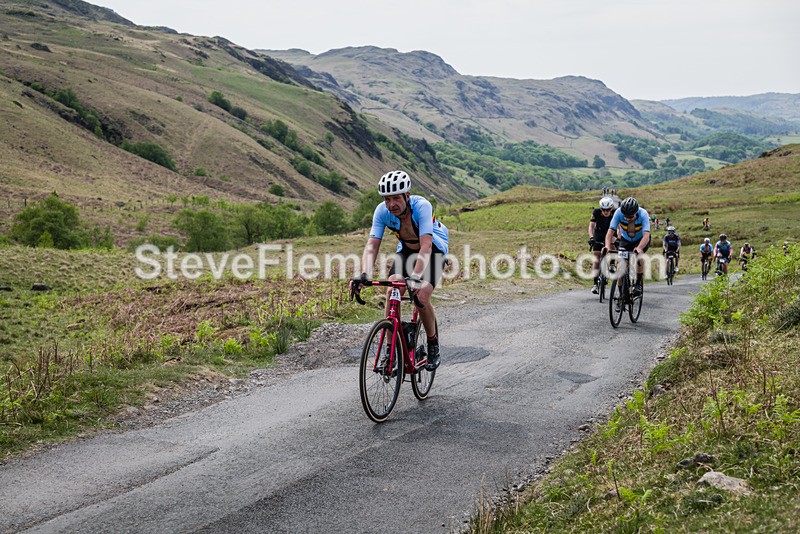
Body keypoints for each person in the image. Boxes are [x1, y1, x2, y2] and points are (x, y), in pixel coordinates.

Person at [351, 170, 449, 370]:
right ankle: (390, 352)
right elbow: (372, 245)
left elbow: (426, 246)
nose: (391, 204)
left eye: (396, 198)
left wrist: (415, 277)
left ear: (407, 196)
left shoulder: (421, 206)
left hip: (433, 249)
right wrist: (364, 274)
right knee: (392, 290)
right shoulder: (382, 211)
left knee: (421, 295)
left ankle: (433, 344)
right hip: (406, 249)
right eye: (387, 199)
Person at [604, 197, 650, 298]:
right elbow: (610, 232)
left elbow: (646, 235)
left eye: (630, 216)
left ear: (636, 212)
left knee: (639, 257)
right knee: (621, 264)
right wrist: (607, 246)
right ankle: (621, 294)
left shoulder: (643, 214)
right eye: (625, 216)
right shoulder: (618, 212)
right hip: (625, 240)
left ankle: (638, 283)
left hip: (640, 240)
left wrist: (639, 248)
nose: (628, 219)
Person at [588, 197, 616, 294]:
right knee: (596, 257)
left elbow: (619, 227)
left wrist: (618, 238)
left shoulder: (615, 213)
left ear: (611, 208)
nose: (606, 212)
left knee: (613, 244)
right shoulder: (596, 212)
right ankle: (595, 283)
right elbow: (591, 226)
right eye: (603, 210)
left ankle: (612, 264)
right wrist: (591, 238)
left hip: (611, 233)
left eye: (608, 210)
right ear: (601, 209)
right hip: (599, 234)